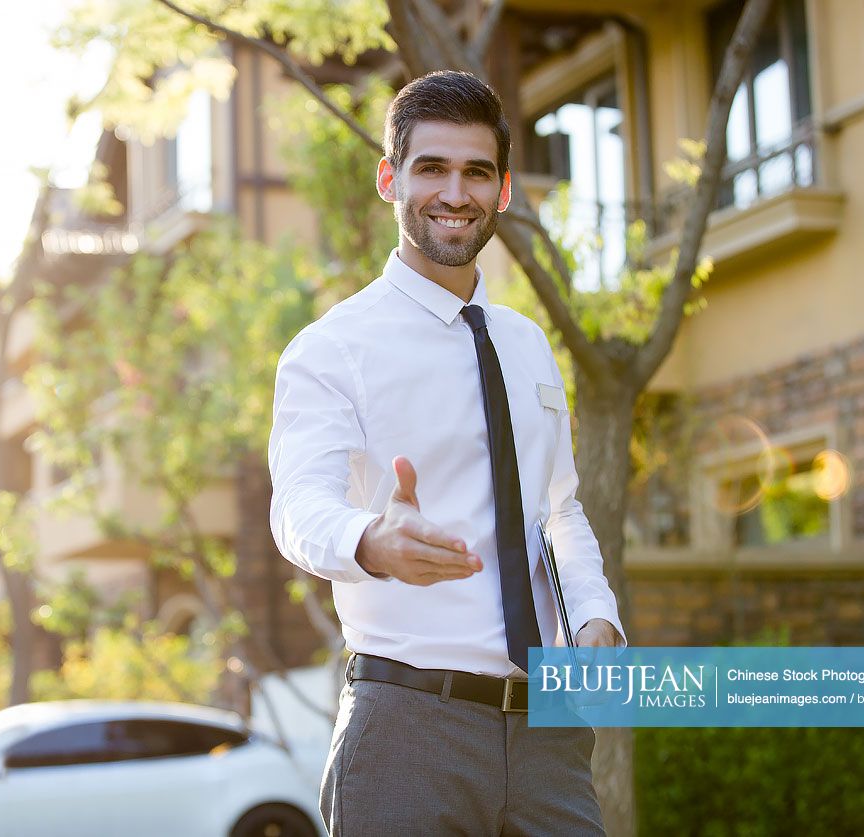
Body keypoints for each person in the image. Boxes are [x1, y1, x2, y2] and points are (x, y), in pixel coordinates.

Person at [267, 70, 626, 835]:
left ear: (501, 191)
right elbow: (299, 504)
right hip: (406, 727)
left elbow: (557, 507)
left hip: (547, 731)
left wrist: (595, 615)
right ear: (389, 177)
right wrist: (371, 539)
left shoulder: (528, 345)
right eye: (431, 167)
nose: (453, 193)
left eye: (476, 172)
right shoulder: (332, 348)